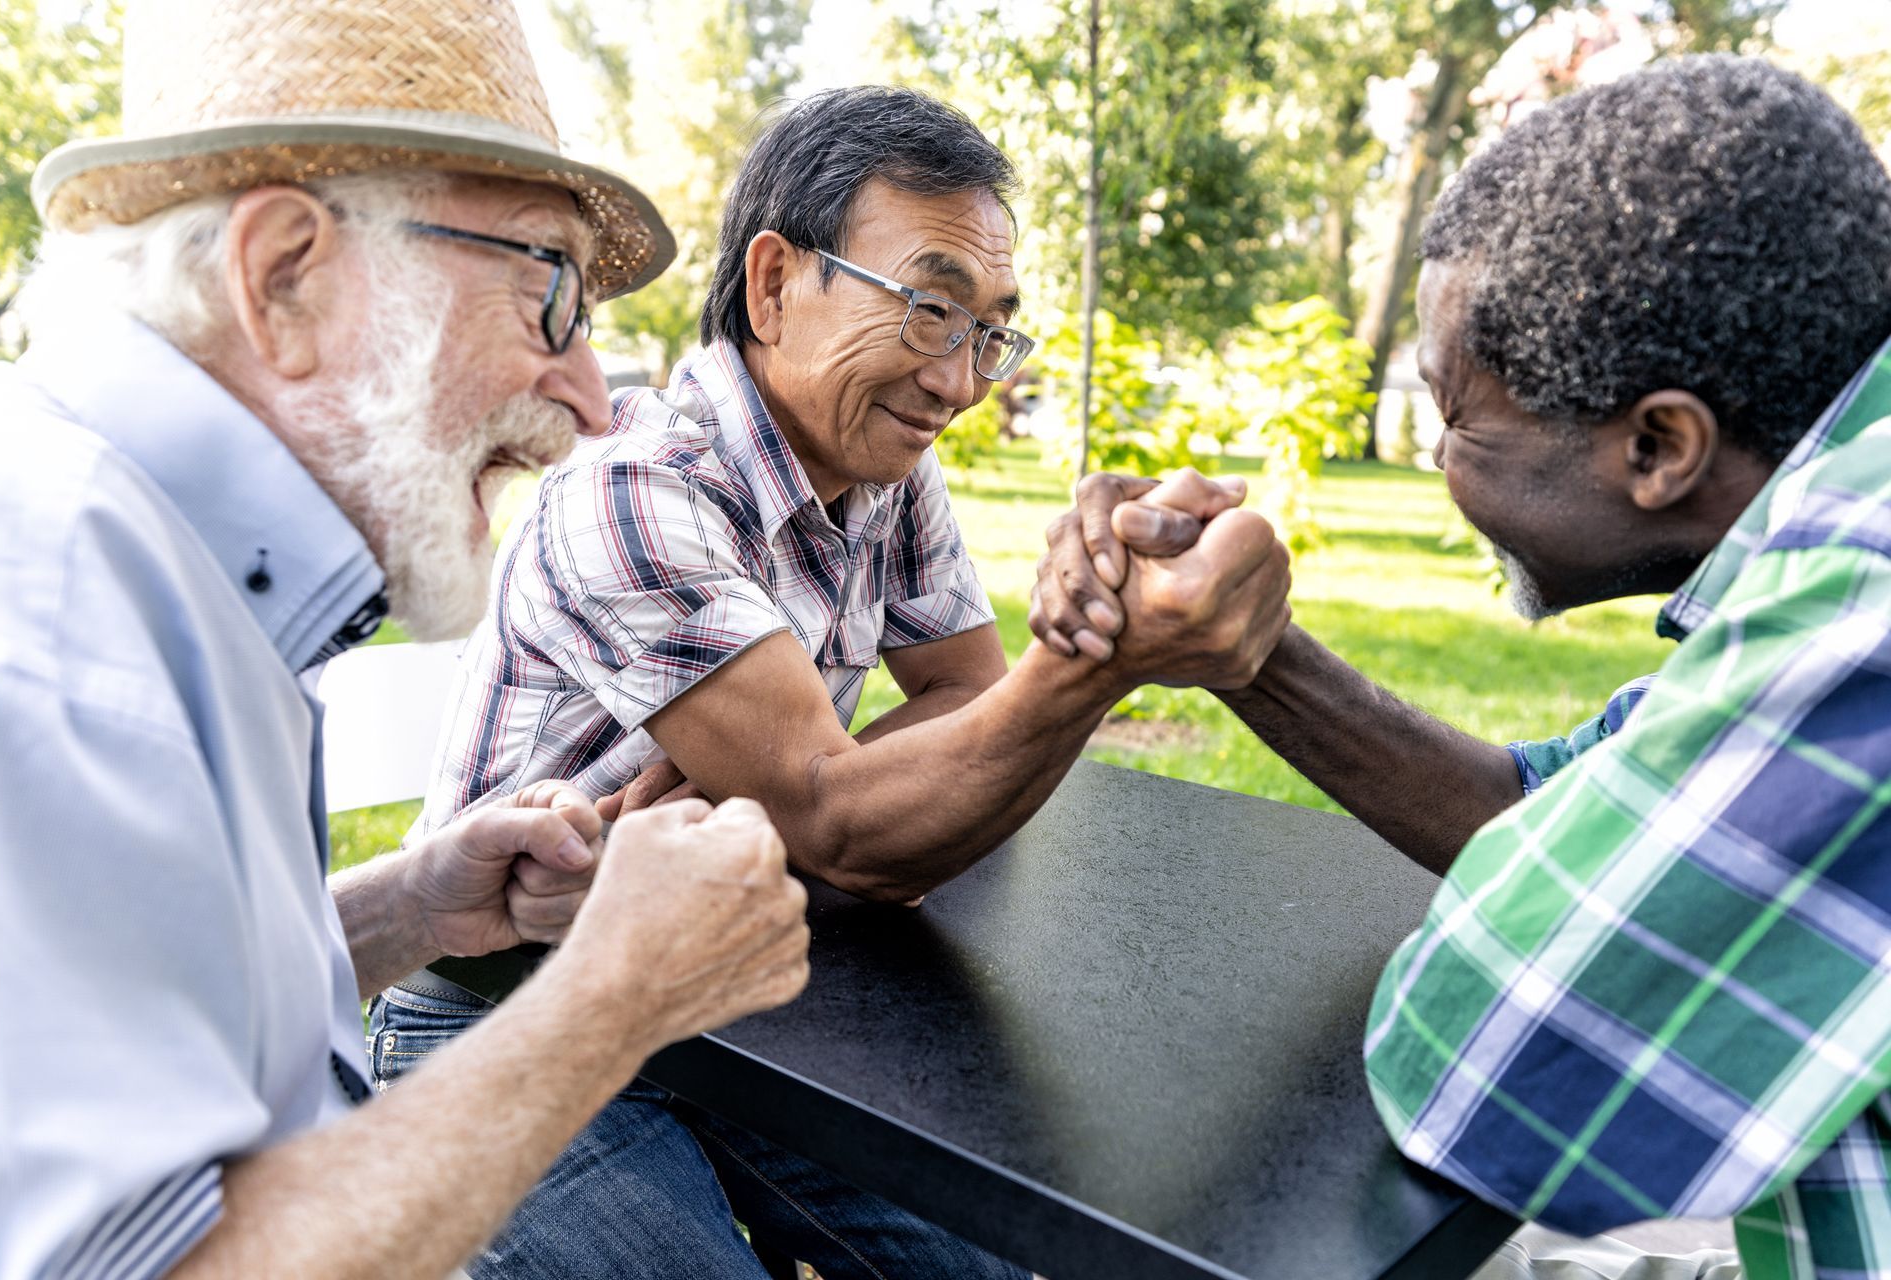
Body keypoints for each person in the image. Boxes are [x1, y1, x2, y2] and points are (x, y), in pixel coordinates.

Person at [377, 84, 1293, 1278]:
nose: (960, 382)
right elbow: (850, 826)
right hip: (498, 1007)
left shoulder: (882, 469)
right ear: (772, 284)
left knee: (995, 1262)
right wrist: (1092, 660)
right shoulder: (637, 488)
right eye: (928, 308)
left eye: (987, 329)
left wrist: (827, 796)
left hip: (733, 988)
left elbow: (963, 693)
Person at [0, 0, 813, 1275]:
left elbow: (138, 991)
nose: (595, 403)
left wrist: (408, 906)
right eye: (550, 295)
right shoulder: (53, 620)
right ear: (286, 277)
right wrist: (617, 995)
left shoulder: (167, 560)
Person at [1031, 56, 1891, 1280]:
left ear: (1658, 444)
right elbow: (1556, 805)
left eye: (1460, 418)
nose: (1439, 459)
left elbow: (1494, 1071)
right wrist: (1248, 650)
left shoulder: (1869, 580)